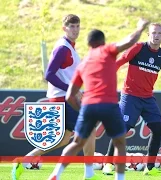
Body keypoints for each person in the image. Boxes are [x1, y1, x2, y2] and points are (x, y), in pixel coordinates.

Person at [47, 19, 149, 180]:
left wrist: (81, 110)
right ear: (102, 42)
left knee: (76, 143)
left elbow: (69, 96)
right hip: (108, 104)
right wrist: (140, 28)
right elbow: (129, 41)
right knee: (119, 143)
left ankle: (56, 174)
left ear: (88, 44)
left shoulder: (84, 63)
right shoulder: (107, 50)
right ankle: (119, 178)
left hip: (89, 105)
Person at [12, 14, 97, 180]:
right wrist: (71, 89)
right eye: (71, 26)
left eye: (77, 26)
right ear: (64, 28)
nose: (75, 30)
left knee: (64, 140)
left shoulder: (69, 47)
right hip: (64, 99)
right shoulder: (63, 48)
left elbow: (66, 74)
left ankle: (22, 161)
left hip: (65, 98)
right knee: (90, 129)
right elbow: (49, 75)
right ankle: (89, 175)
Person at [103, 23, 161, 176]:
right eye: (153, 33)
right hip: (130, 96)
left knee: (158, 129)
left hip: (148, 98)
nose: (156, 35)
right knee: (122, 130)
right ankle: (108, 163)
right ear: (148, 34)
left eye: (159, 33)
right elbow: (120, 61)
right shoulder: (138, 47)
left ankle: (150, 167)